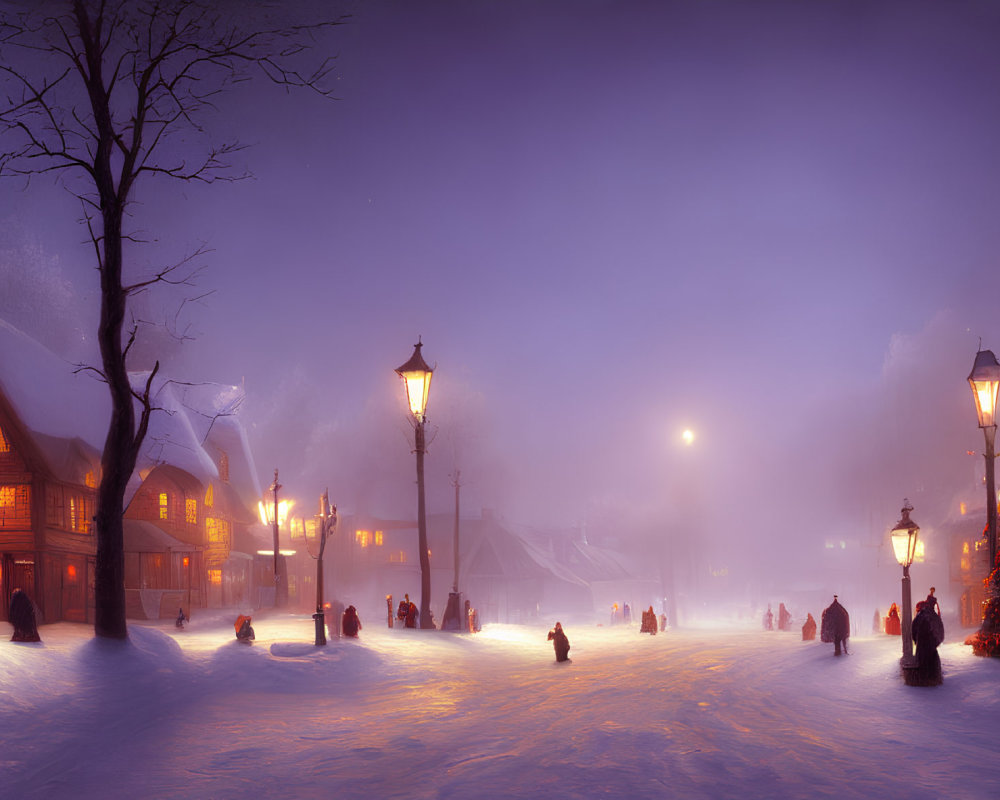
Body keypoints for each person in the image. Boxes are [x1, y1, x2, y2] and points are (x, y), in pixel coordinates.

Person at [911, 600, 945, 686]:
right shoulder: (934, 616)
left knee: (923, 665)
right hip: (932, 647)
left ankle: (924, 681)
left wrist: (917, 641)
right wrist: (935, 643)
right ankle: (934, 680)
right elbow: (941, 632)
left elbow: (913, 630)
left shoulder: (920, 616)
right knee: (932, 665)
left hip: (922, 646)